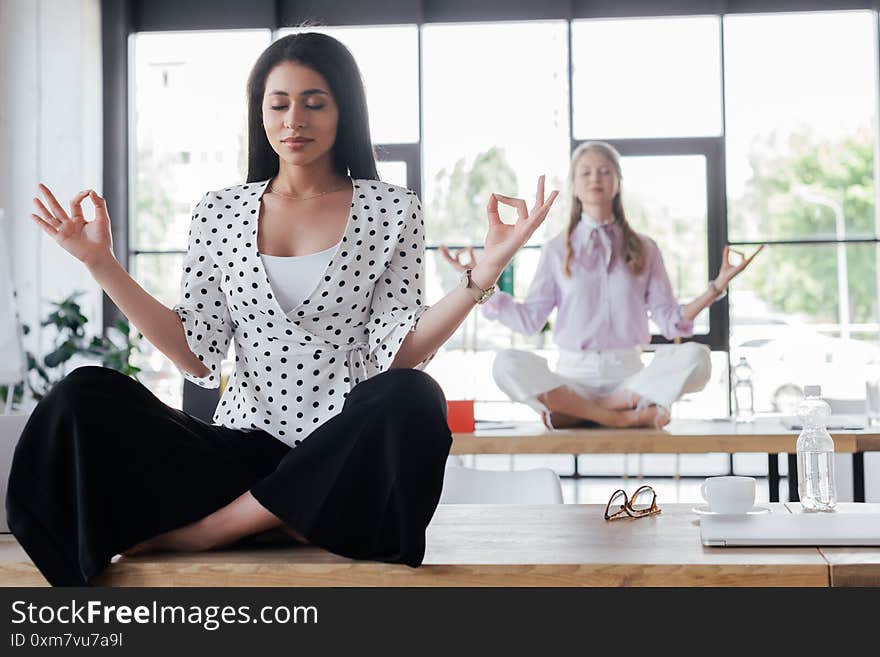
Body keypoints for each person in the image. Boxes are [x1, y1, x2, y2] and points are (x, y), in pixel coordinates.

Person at [7, 32, 559, 586]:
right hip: (237, 452)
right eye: (279, 104)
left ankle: (219, 528)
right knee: (84, 393)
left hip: (343, 453)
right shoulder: (219, 211)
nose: (295, 118)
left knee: (415, 396)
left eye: (315, 102)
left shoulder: (393, 208)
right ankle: (289, 516)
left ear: (344, 111)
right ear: (261, 113)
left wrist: (484, 271)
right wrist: (101, 262)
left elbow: (401, 350)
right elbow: (196, 353)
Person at [441, 141, 762, 429]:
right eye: (586, 172)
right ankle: (619, 416)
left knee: (698, 358)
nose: (595, 178)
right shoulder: (556, 249)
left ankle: (584, 411)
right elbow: (530, 321)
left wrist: (717, 286)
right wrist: (481, 282)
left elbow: (669, 321)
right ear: (575, 187)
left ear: (617, 183)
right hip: (571, 376)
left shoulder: (645, 248)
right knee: (505, 364)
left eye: (605, 171)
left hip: (629, 375)